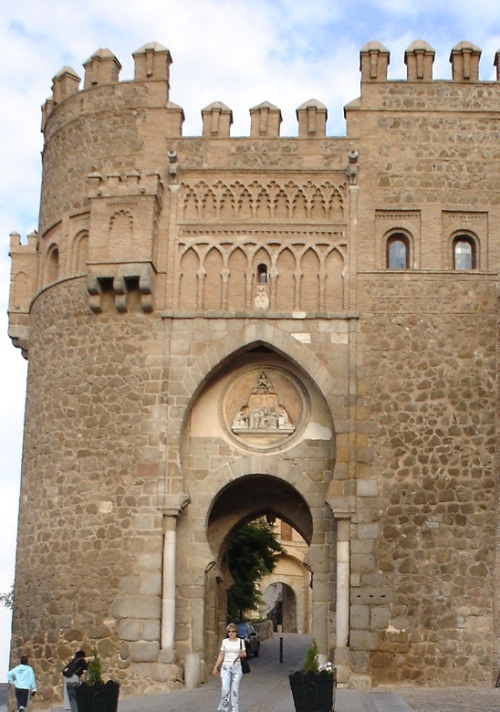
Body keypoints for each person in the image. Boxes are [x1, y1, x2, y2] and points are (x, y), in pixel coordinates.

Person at [212, 623, 247, 712]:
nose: (231, 633)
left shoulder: (240, 641)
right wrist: (216, 667)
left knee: (234, 690)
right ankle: (224, 705)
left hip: (237, 667)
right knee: (225, 688)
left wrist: (241, 654)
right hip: (226, 667)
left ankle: (235, 709)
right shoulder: (225, 642)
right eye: (229, 632)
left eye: (233, 632)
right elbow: (221, 655)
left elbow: (244, 653)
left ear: (236, 632)